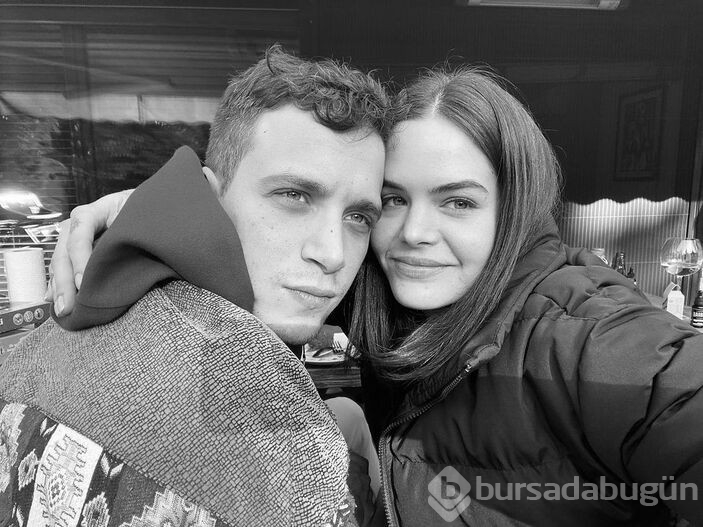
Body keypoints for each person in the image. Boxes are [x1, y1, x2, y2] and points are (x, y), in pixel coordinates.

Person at [47, 67, 703, 526]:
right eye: (389, 202)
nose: (414, 233)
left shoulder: (587, 334)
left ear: (513, 213)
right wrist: (154, 212)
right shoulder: (380, 287)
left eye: (458, 201)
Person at [0, 46, 391, 527]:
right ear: (210, 193)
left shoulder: (53, 341)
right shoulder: (275, 427)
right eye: (294, 195)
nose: (333, 254)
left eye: (358, 217)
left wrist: (149, 211)